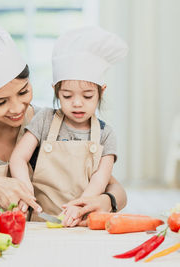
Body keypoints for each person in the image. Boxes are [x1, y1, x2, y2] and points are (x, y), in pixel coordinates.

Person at [0, 9, 127, 221]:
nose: (16, 109)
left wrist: (105, 201)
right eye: (0, 102)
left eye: (23, 91)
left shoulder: (50, 124)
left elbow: (116, 189)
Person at [10, 27, 128, 226]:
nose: (77, 103)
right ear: (56, 92)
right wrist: (25, 189)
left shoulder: (106, 134)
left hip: (83, 220)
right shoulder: (44, 119)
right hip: (39, 220)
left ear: (101, 92)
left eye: (87, 96)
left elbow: (101, 179)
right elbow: (18, 158)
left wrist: (80, 206)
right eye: (67, 96)